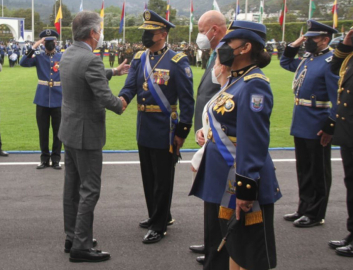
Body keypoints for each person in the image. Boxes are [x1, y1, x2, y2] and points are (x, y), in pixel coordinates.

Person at [191, 20, 281, 269]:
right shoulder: (235, 81)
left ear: (245, 47)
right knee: (224, 249)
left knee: (247, 255)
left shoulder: (255, 84)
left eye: (229, 41)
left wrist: (246, 187)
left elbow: (253, 139)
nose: (223, 46)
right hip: (221, 179)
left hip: (239, 182)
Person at [119, 10, 195, 244]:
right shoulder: (139, 58)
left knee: (163, 178)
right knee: (149, 176)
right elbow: (130, 86)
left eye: (149, 33)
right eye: (144, 32)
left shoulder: (177, 60)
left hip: (165, 128)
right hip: (144, 126)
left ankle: (159, 225)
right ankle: (158, 215)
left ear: (162, 34)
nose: (145, 37)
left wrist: (182, 132)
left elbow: (187, 100)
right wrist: (121, 100)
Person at [59, 10, 129, 263]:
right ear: (92, 33)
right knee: (90, 190)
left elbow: (84, 76)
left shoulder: (69, 53)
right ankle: (81, 246)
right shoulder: (90, 59)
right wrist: (121, 103)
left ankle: (73, 237)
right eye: (99, 31)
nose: (100, 35)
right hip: (87, 133)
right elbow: (104, 96)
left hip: (70, 129)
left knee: (72, 189)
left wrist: (113, 71)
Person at [281, 20, 339, 228]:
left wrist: (330, 125)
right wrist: (296, 42)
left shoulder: (331, 61)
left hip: (318, 121)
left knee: (318, 170)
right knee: (303, 168)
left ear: (325, 39)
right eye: (307, 38)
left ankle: (316, 213)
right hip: (302, 118)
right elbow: (286, 63)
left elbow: (338, 99)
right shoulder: (309, 58)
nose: (308, 42)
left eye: (312, 38)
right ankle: (304, 207)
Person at [189, 10, 228, 266]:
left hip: (219, 136)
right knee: (209, 194)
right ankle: (210, 242)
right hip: (207, 129)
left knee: (218, 194)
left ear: (215, 29)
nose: (201, 35)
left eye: (203, 30)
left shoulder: (226, 53)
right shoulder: (216, 51)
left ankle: (218, 248)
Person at [20, 29, 63, 170]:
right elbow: (23, 62)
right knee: (43, 131)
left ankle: (56, 159)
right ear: (43, 43)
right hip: (42, 99)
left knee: (58, 131)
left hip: (58, 98)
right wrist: (34, 47)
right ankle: (44, 159)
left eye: (52, 41)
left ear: (56, 42)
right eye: (47, 41)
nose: (50, 44)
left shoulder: (62, 57)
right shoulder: (38, 57)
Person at [329, 27, 353, 257]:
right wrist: (345, 44)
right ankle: (351, 233)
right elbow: (334, 67)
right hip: (349, 133)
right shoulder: (350, 55)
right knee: (351, 184)